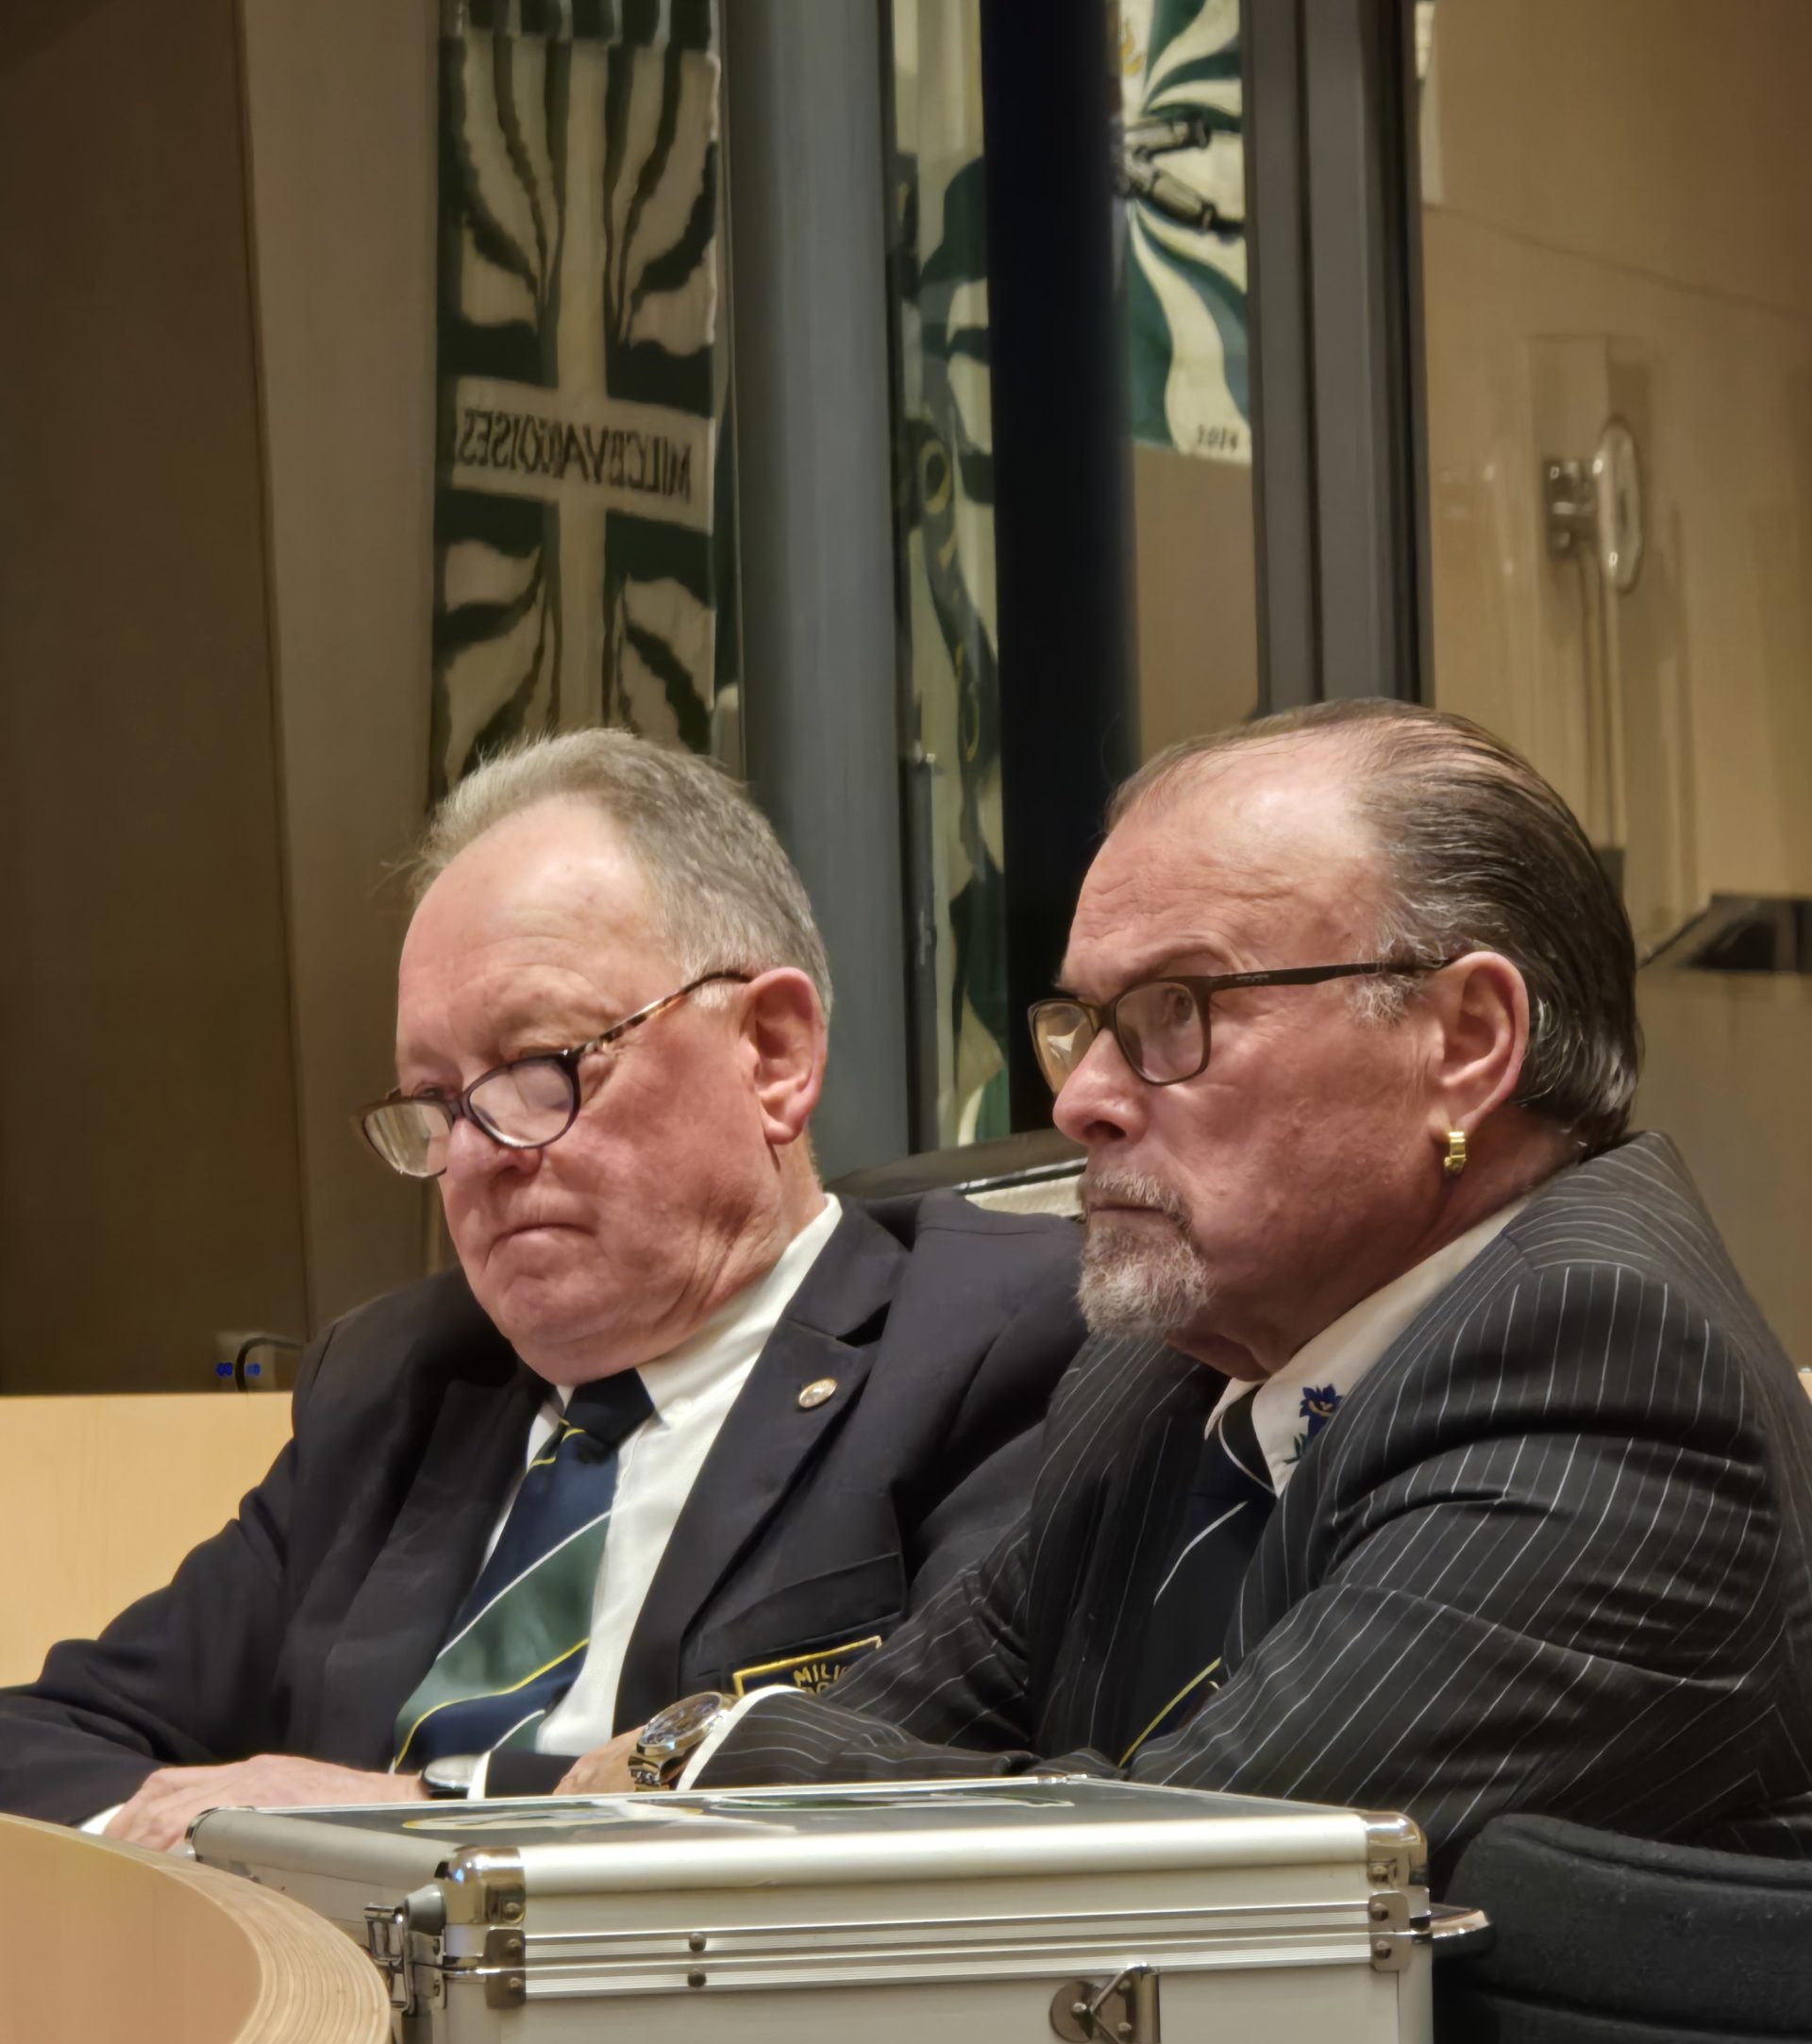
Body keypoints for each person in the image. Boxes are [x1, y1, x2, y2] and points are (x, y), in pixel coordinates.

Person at [565, 701, 1812, 1879]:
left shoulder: (1609, 1374)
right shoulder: (1163, 1377)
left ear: (1466, 1041)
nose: (1080, 1101)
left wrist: (702, 1754)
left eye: (1177, 1012)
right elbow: (906, 1735)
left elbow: (1195, 1874)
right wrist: (720, 1774)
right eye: (1082, 1022)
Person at [0, 731, 1082, 1843]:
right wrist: (193, 1844)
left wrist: (415, 1816)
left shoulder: (997, 1341)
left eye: (537, 1069)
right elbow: (43, 1738)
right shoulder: (396, 1386)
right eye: (435, 1101)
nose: (473, 1156)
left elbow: (947, 1793)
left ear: (772, 1054)